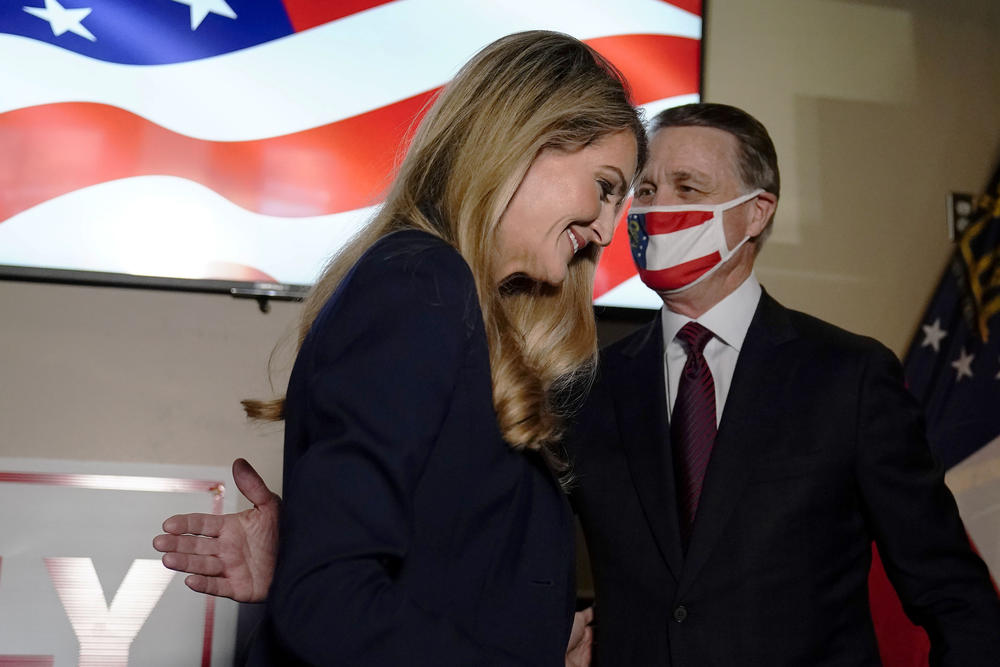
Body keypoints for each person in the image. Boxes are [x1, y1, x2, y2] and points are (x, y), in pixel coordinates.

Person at [158, 103, 1000, 665]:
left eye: (687, 189)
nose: (647, 210)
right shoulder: (576, 380)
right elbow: (453, 511)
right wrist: (302, 546)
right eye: (638, 189)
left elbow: (952, 594)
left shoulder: (849, 377)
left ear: (756, 211)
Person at [152, 30, 645, 665]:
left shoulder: (455, 303)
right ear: (526, 139)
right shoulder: (421, 283)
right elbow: (329, 600)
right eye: (604, 187)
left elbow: (434, 568)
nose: (608, 229)